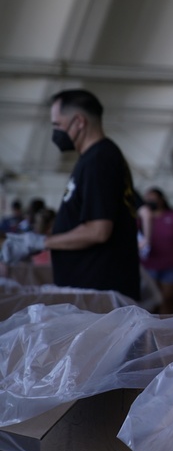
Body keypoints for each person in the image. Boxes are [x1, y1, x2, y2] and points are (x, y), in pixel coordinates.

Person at [4, 89, 142, 300]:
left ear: (79, 122)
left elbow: (98, 231)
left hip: (99, 294)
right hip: (95, 293)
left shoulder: (99, 160)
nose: (55, 133)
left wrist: (41, 242)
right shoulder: (96, 158)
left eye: (57, 125)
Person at [140, 188, 173, 314]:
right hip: (148, 266)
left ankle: (166, 329)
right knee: (150, 302)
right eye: (148, 199)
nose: (150, 202)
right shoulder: (141, 218)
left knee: (167, 299)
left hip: (170, 266)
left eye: (153, 198)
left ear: (161, 200)